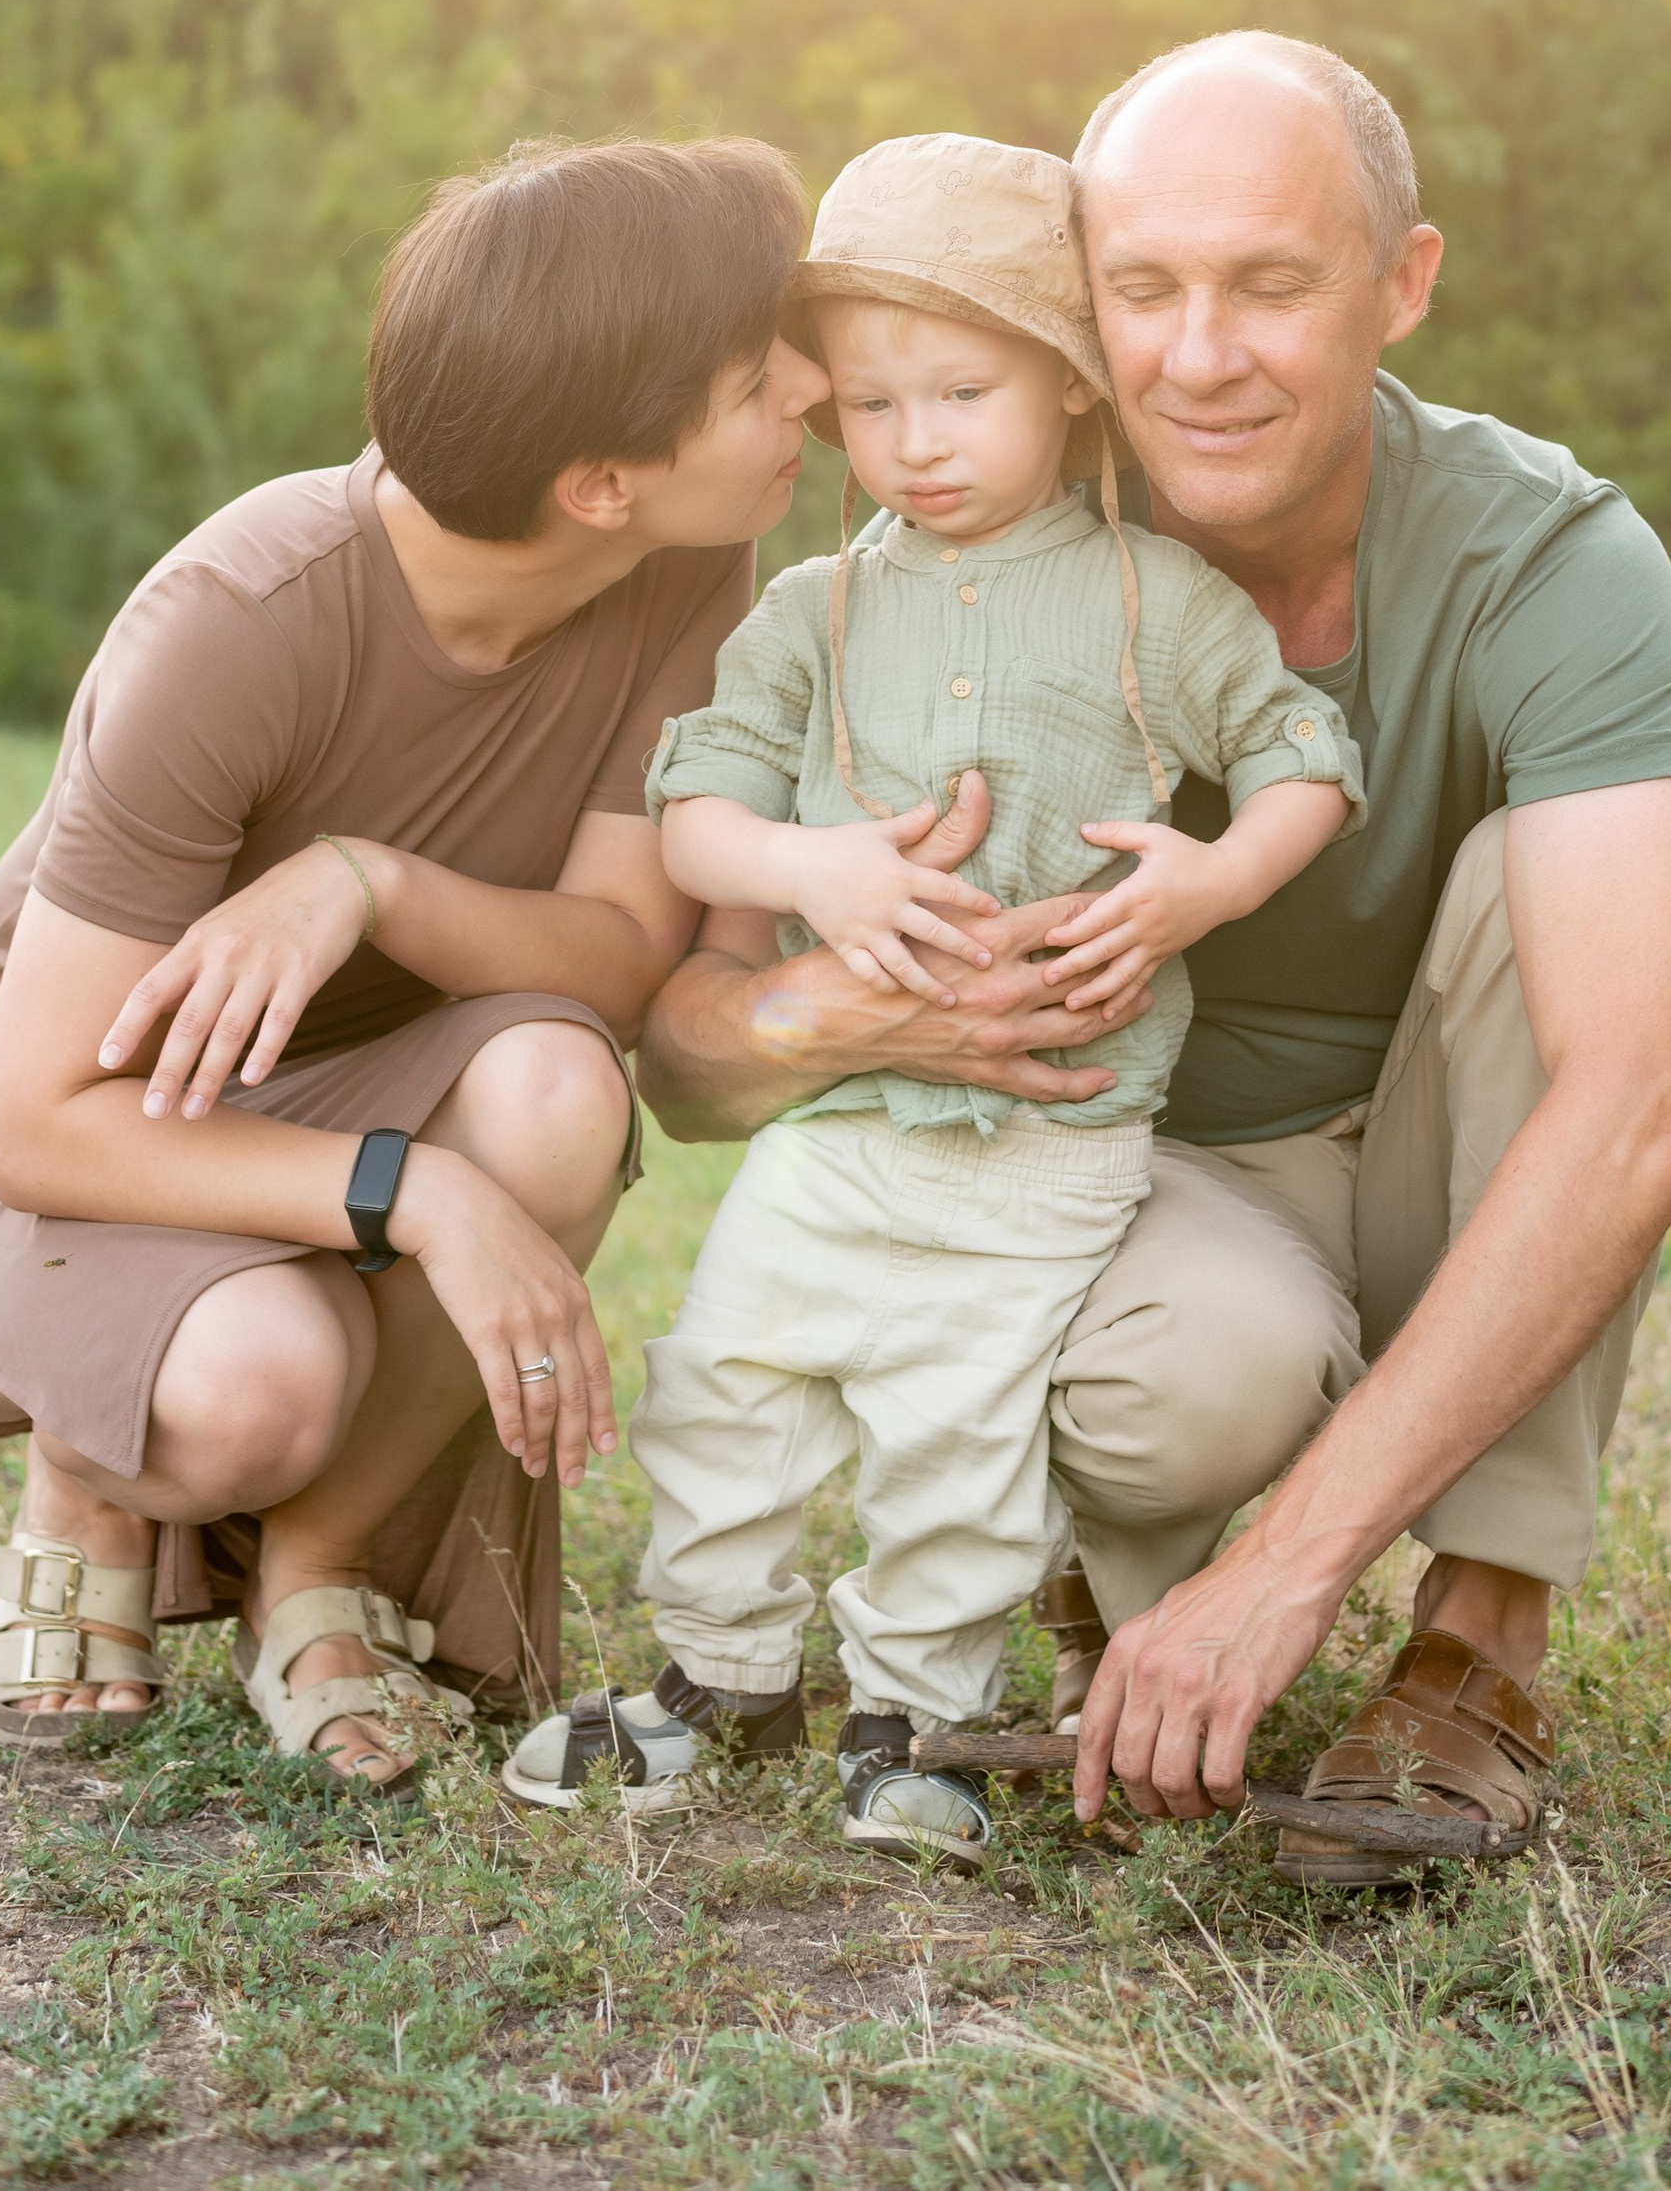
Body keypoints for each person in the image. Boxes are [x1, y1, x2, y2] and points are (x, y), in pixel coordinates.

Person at [634, 37, 1671, 1883]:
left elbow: (1641, 1110)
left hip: (1446, 1137)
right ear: (1077, 313)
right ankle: (1102, 1592)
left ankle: (1478, 1644)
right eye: (1145, 289)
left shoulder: (1550, 556)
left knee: (1527, 902)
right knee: (1175, 1393)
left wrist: (1286, 1572)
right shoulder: (954, 523)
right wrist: (837, 1004)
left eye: (1275, 284)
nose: (1201, 354)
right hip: (1129, 1167)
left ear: (1405, 283)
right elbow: (683, 1058)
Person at [0, 136, 822, 1793]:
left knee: (558, 1086)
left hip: (333, 1086)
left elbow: (614, 959)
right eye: (756, 372)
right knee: (261, 1383)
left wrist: (368, 885)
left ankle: (317, 1572)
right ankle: (94, 1467)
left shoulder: (691, 563)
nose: (810, 381)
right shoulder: (239, 616)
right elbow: (40, 1123)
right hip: (50, 1143)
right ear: (600, 482)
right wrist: (423, 1199)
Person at [499, 135, 1360, 1859]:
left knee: (960, 1438)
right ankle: (718, 1674)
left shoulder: (1152, 599)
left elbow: (1298, 753)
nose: (919, 441)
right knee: (730, 1375)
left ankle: (918, 1721)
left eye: (964, 391)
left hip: (1052, 1141)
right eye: (875, 406)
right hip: (841, 1123)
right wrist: (810, 873)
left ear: (1063, 387)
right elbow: (702, 805)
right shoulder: (815, 610)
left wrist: (1215, 876)